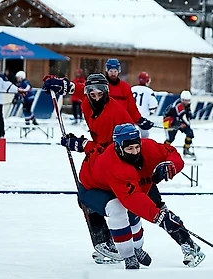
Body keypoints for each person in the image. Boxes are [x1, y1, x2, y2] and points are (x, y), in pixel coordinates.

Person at [46, 73, 150, 266]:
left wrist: (82, 144)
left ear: (106, 93)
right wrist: (60, 84)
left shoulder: (116, 114)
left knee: (99, 199)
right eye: (90, 93)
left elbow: (116, 150)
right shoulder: (87, 103)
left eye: (99, 93)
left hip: (116, 162)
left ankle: (114, 244)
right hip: (98, 161)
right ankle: (115, 244)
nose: (95, 96)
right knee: (96, 199)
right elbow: (78, 89)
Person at [80, 123, 205, 269]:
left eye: (137, 147)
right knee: (119, 209)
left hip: (136, 181)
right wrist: (159, 218)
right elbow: (132, 199)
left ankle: (186, 244)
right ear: (118, 147)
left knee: (159, 211)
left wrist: (171, 165)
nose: (135, 152)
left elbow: (171, 152)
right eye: (129, 149)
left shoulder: (148, 147)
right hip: (95, 187)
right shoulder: (114, 165)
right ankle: (128, 254)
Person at [104, 58, 153, 133]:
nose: (113, 74)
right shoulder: (102, 87)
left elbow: (131, 108)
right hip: (105, 125)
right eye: (111, 71)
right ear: (107, 71)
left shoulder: (125, 87)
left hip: (122, 126)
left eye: (115, 71)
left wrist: (140, 120)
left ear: (119, 71)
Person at [163, 90, 196, 159]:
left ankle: (186, 149)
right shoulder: (178, 106)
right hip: (169, 121)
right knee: (170, 139)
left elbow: (186, 114)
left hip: (179, 120)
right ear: (181, 99)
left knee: (190, 133)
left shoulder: (187, 105)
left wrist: (189, 115)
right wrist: (181, 124)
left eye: (188, 100)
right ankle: (163, 151)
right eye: (184, 100)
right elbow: (180, 117)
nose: (186, 102)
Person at [131, 71, 159, 138]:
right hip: (142, 119)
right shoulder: (149, 91)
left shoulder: (132, 89)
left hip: (130, 117)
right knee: (145, 138)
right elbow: (153, 107)